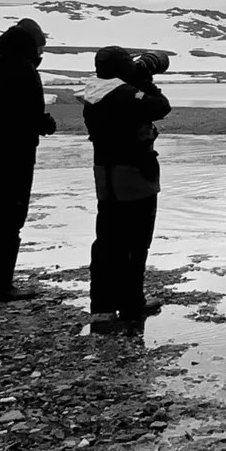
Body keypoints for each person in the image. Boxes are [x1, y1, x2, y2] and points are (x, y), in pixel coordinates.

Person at [0, 18, 57, 301]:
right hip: (14, 156)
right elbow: (25, 115)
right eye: (40, 47)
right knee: (10, 217)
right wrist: (43, 123)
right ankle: (2, 286)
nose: (41, 53)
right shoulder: (23, 70)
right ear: (30, 46)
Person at [81, 46, 172, 327]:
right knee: (136, 240)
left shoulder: (93, 94)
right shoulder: (124, 94)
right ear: (122, 68)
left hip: (105, 174)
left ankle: (103, 306)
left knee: (107, 239)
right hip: (133, 174)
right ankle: (132, 303)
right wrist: (143, 80)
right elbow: (160, 106)